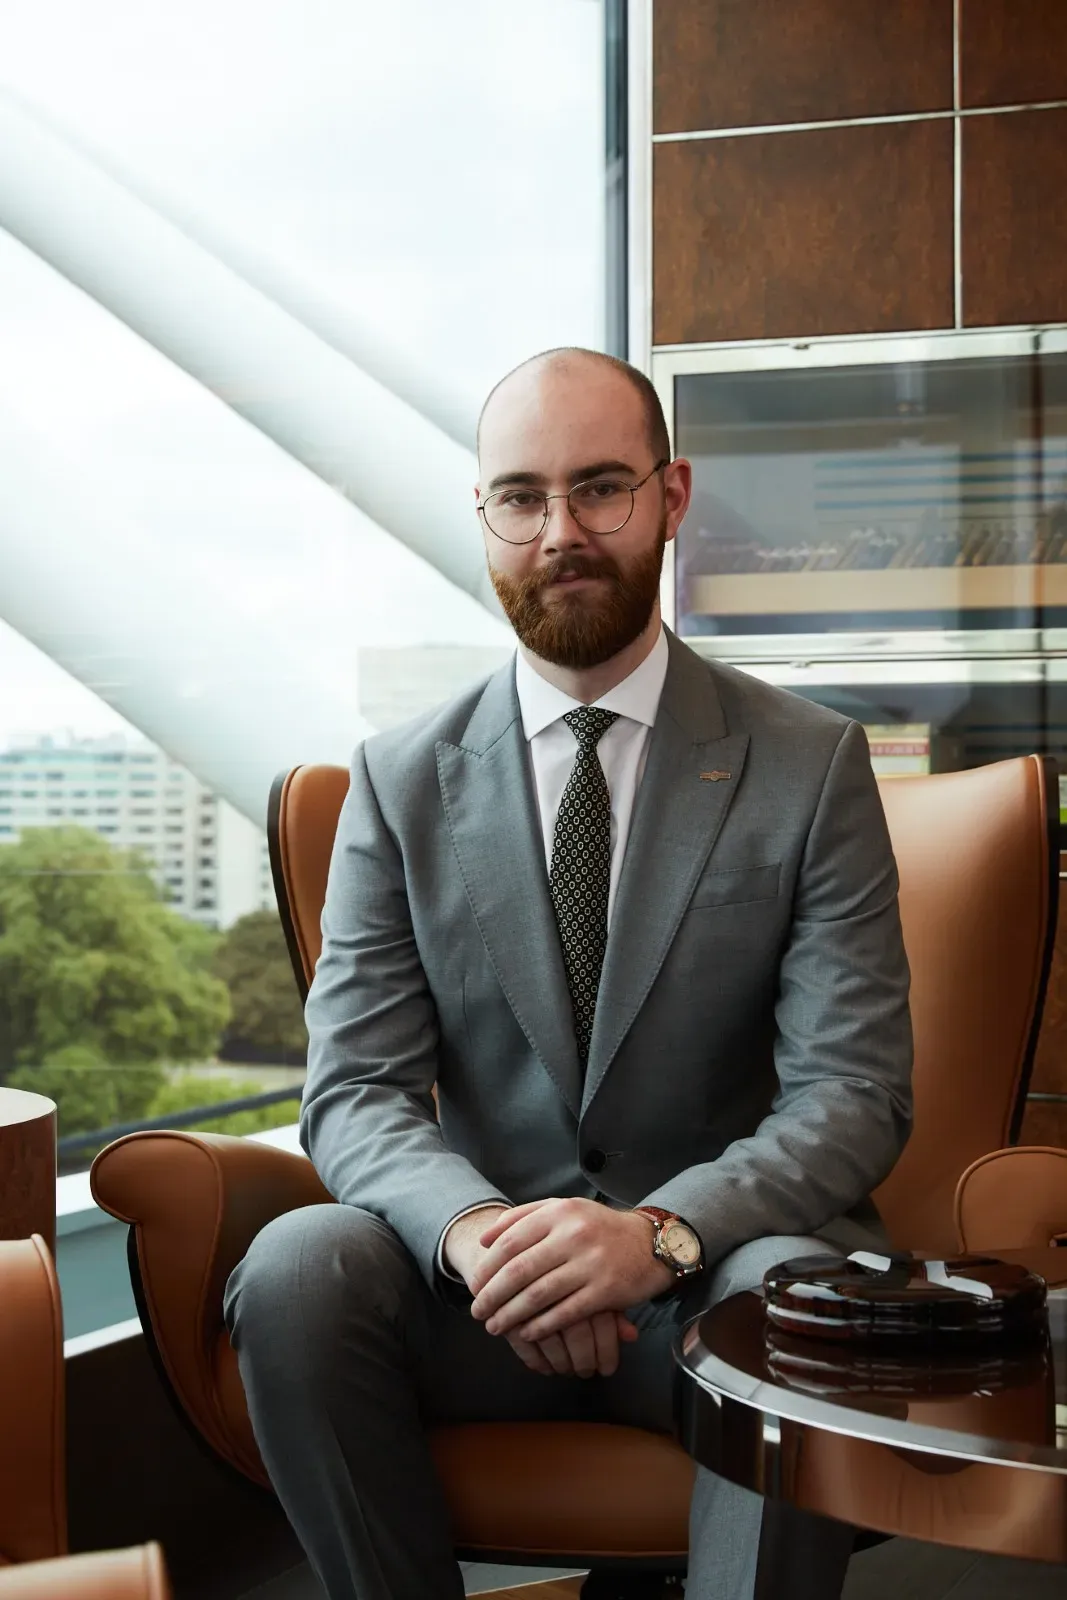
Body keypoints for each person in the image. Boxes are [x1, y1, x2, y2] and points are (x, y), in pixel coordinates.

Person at [223, 347, 913, 1600]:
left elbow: (851, 1094)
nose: (560, 532)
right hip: (471, 1304)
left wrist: (654, 1234)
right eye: (521, 496)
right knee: (296, 1265)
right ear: (483, 515)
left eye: (600, 488)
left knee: (789, 1293)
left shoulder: (809, 766)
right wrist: (483, 1236)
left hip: (708, 1293)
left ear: (670, 495)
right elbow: (356, 1093)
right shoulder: (394, 778)